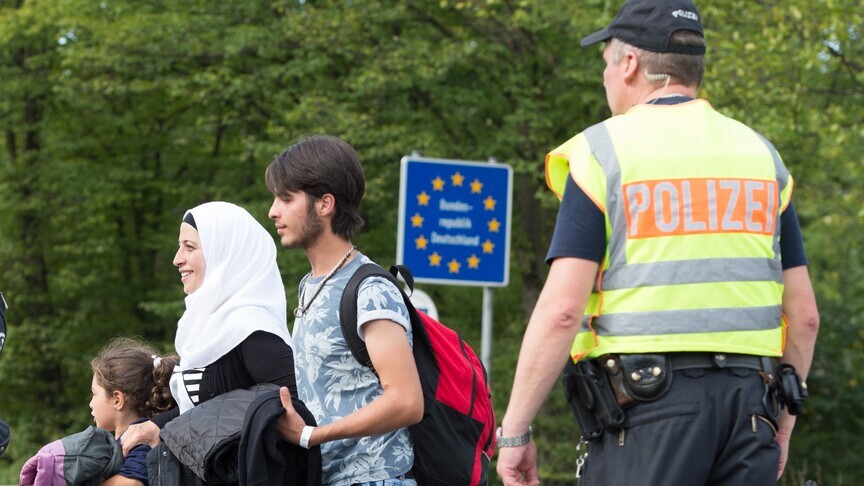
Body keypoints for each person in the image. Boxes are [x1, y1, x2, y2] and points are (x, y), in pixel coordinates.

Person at [496, 1, 820, 485]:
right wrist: (783, 423)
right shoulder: (760, 156)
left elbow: (563, 311)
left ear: (629, 64)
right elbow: (805, 317)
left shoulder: (602, 153)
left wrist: (516, 432)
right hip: (751, 410)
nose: (605, 77)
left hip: (645, 414)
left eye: (606, 63)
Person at [265, 135, 423, 485]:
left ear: (325, 204)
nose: (273, 211)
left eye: (286, 198)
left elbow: (407, 401)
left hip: (377, 478)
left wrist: (312, 436)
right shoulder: (308, 286)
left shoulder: (370, 289)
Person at [120, 201, 298, 455]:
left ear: (225, 254)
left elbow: (295, 410)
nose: (177, 259)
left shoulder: (252, 329)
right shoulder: (208, 326)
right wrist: (155, 425)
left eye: (189, 247)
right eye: (180, 247)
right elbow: (205, 409)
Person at [89, 337, 179, 486]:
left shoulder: (140, 440)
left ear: (117, 399)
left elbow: (133, 483)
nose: (91, 404)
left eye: (94, 394)